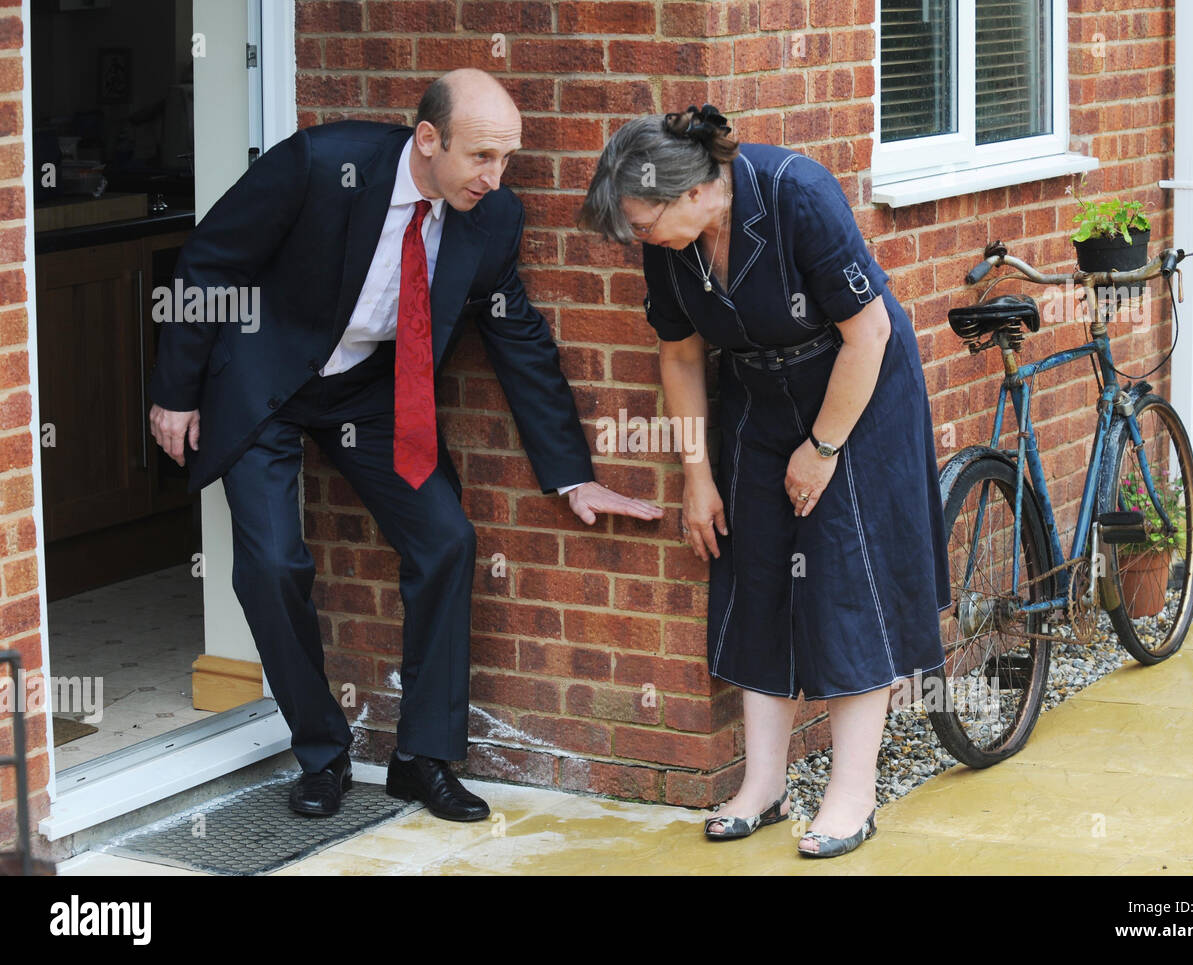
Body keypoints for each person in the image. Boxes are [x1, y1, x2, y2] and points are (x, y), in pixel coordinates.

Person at [148, 69, 663, 821]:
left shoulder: (491, 219)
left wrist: (572, 477)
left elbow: (519, 340)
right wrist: (175, 388)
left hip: (369, 393)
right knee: (269, 563)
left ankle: (421, 758)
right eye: (483, 157)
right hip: (263, 380)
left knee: (447, 539)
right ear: (428, 140)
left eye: (507, 160)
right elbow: (210, 261)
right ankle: (322, 752)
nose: (497, 178)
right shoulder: (322, 165)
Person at [578, 106, 952, 858]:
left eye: (642, 223)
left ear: (691, 193)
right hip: (758, 398)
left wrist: (823, 446)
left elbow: (868, 332)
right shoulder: (667, 242)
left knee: (849, 578)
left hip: (856, 390)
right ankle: (764, 783)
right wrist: (696, 475)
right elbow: (681, 356)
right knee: (755, 576)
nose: (636, 240)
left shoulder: (796, 194)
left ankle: (852, 792)